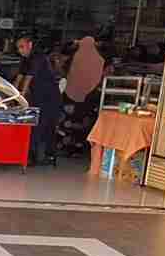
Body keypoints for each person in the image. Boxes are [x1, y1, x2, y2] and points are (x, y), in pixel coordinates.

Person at [14, 34, 63, 165]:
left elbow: (29, 77)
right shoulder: (25, 59)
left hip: (49, 96)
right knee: (35, 125)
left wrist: (21, 95)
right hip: (37, 96)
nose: (20, 50)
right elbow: (20, 76)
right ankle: (33, 154)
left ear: (30, 45)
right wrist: (11, 92)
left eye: (22, 47)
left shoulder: (38, 57)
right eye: (18, 48)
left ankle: (47, 155)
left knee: (45, 126)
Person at [66, 35, 106, 106]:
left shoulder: (77, 56)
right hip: (92, 91)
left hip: (75, 90)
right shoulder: (98, 58)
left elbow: (71, 71)